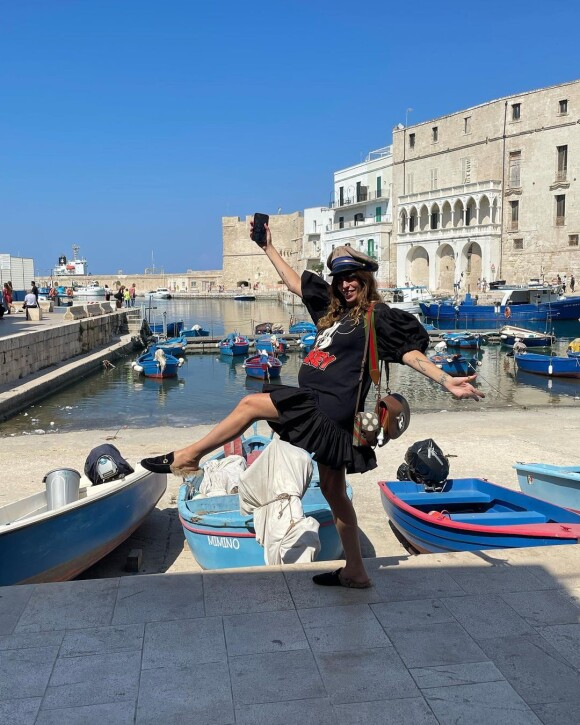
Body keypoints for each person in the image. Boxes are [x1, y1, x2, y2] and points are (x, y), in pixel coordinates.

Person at [141, 225, 484, 589]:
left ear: (366, 280)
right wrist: (268, 246)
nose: (346, 284)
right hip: (332, 419)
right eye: (340, 279)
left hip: (327, 406)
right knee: (335, 495)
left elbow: (410, 354)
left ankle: (188, 457)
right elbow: (293, 282)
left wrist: (444, 379)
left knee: (250, 405)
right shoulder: (331, 312)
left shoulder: (376, 316)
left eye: (352, 278)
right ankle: (356, 570)